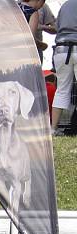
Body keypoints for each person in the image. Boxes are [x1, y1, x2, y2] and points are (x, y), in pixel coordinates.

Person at [50, 0, 77, 134]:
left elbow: (56, 27)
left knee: (61, 91)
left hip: (61, 50)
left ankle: (53, 129)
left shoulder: (65, 5)